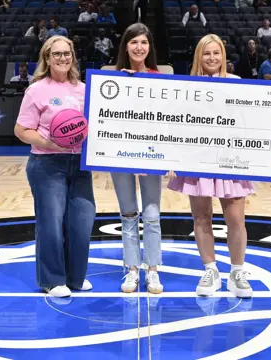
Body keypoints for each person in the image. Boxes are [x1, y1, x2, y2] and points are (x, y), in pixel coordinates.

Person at [167, 34, 271, 298]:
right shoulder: (186, 86)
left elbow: (255, 116)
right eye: (206, 53)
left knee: (235, 219)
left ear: (223, 56)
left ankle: (237, 272)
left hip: (231, 160)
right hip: (198, 159)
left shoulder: (237, 83)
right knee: (201, 217)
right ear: (198, 56)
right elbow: (176, 123)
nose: (212, 58)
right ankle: (210, 270)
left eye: (216, 53)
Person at [14, 36, 96, 298]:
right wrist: (50, 142)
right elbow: (20, 130)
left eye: (67, 53)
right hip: (47, 164)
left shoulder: (85, 89)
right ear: (47, 59)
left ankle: (75, 277)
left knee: (81, 222)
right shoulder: (36, 90)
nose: (62, 58)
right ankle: (51, 279)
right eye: (57, 54)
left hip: (80, 164)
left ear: (73, 56)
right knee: (50, 223)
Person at [112, 23, 164, 294]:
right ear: (126, 46)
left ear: (149, 47)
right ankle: (132, 269)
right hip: (120, 156)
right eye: (134, 42)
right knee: (129, 214)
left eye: (144, 42)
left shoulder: (161, 78)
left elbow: (169, 122)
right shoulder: (111, 81)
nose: (139, 47)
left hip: (152, 156)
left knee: (152, 216)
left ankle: (152, 270)